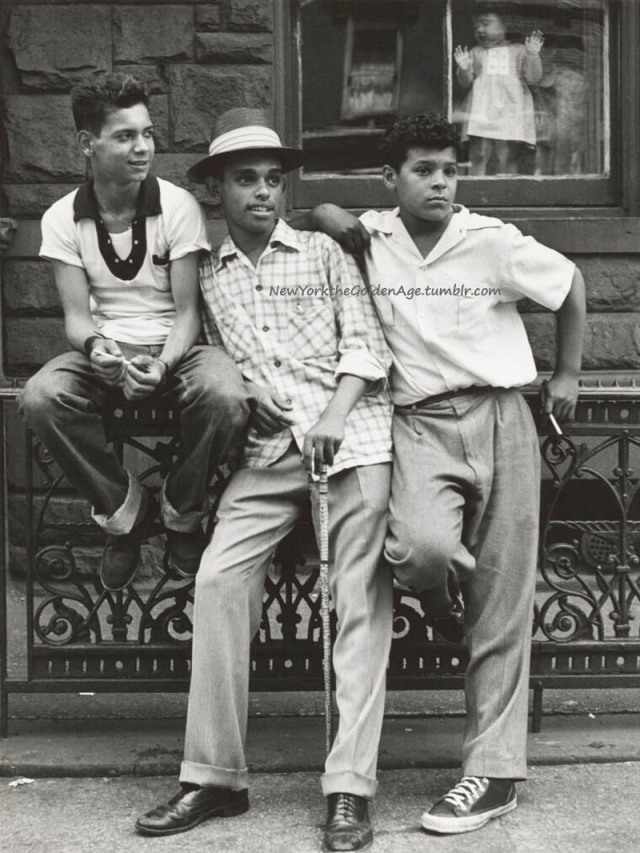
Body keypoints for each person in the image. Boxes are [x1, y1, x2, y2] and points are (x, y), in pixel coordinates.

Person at [296, 112, 586, 834]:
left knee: (505, 594)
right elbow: (300, 219)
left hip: (503, 417)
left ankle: (490, 773)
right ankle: (445, 600)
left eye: (449, 170)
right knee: (419, 549)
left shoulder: (488, 241)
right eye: (424, 170)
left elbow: (571, 283)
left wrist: (568, 372)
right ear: (390, 179)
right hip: (420, 420)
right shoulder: (372, 236)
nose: (440, 183)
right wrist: (326, 211)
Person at [135, 108, 394, 852]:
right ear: (216, 190)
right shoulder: (207, 276)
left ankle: (349, 789)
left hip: (349, 441)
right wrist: (247, 386)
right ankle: (215, 777)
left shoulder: (321, 252)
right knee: (218, 581)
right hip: (271, 453)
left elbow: (367, 347)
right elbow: (206, 362)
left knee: (358, 600)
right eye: (245, 179)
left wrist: (336, 415)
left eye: (274, 179)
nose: (262, 193)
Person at [19, 74, 250, 592]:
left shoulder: (177, 206)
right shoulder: (61, 218)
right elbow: (76, 318)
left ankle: (181, 513)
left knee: (226, 396)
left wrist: (163, 363)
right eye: (125, 136)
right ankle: (126, 512)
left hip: (177, 347)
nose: (142, 146)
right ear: (87, 143)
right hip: (107, 349)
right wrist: (99, 348)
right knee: (41, 397)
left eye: (146, 133)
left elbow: (189, 312)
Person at [455, 2, 544, 175]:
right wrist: (464, 68)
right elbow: (464, 83)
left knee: (508, 154)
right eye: (476, 27)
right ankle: (476, 187)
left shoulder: (518, 50)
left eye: (486, 24)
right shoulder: (476, 52)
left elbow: (534, 78)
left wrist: (533, 54)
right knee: (479, 153)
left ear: (505, 25)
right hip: (482, 109)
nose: (480, 30)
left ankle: (507, 189)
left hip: (510, 110)